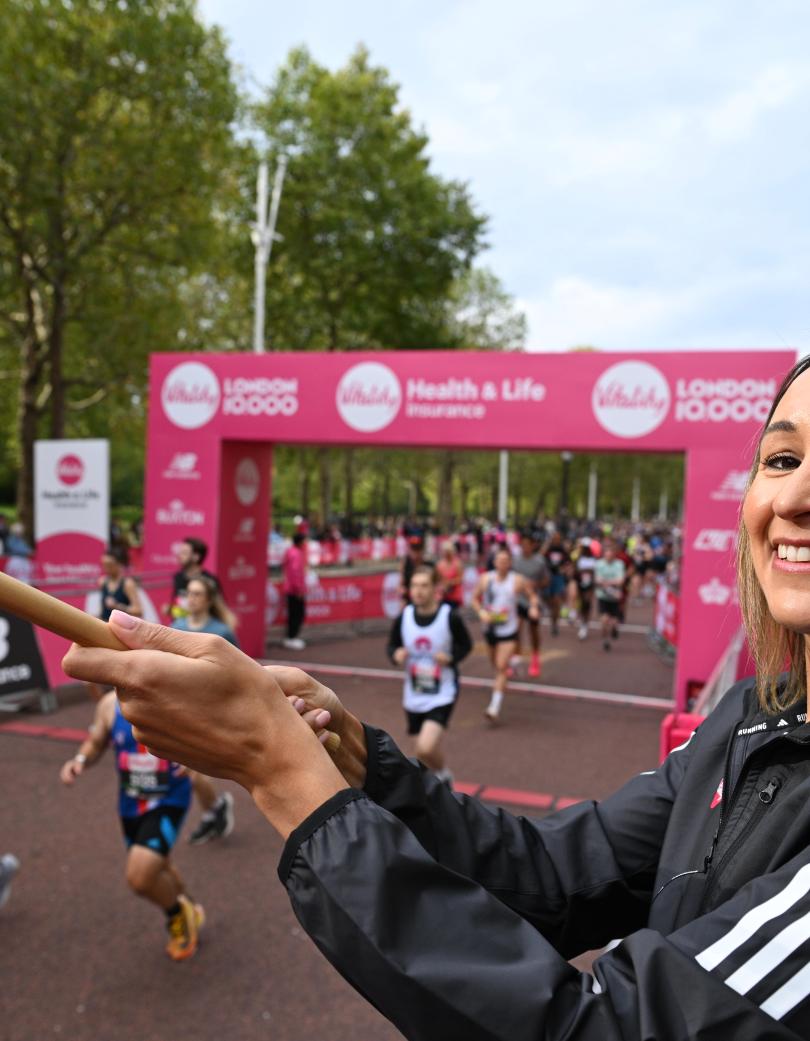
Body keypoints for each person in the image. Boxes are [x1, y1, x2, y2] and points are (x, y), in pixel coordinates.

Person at [64, 355, 810, 1039]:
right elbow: (552, 875)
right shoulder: (750, 712)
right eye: (782, 458)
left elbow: (596, 1028)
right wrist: (360, 767)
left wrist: (287, 777)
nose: (797, 495)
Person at [59, 691, 203, 961]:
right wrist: (79, 761)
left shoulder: (169, 695)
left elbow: (202, 732)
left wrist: (194, 756)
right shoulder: (108, 705)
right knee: (160, 865)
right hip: (130, 804)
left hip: (168, 800)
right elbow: (96, 742)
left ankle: (176, 916)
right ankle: (190, 908)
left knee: (140, 876)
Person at [387, 566, 472, 786]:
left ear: (436, 589)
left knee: (425, 747)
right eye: (414, 585)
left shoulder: (449, 617)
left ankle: (444, 776)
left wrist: (451, 657)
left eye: (424, 585)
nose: (418, 591)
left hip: (442, 691)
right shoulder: (404, 617)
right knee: (421, 754)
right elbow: (392, 646)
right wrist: (396, 655)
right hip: (414, 693)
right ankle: (440, 778)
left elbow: (466, 645)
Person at [170, 576, 238, 845]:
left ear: (209, 600)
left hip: (210, 708)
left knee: (190, 767)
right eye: (189, 593)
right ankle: (215, 808)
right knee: (187, 769)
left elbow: (239, 671)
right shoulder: (175, 626)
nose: (192, 598)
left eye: (198, 594)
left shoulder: (221, 632)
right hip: (180, 706)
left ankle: (214, 809)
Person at [471, 545, 540, 723]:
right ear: (494, 562)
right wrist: (481, 613)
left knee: (501, 666)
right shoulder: (486, 579)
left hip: (509, 629)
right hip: (490, 629)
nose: (502, 564)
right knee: (495, 666)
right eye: (499, 561)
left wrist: (533, 607)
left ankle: (494, 707)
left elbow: (532, 596)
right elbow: (474, 599)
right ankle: (513, 665)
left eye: (506, 561)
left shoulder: (517, 580)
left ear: (510, 563)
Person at [86, 547, 143, 702]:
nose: (106, 568)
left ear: (119, 565)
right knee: (88, 679)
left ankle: (121, 715)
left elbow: (138, 611)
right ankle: (103, 709)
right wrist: (93, 617)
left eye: (109, 564)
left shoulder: (127, 584)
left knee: (119, 680)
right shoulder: (103, 582)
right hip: (104, 631)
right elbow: (104, 611)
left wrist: (118, 606)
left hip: (120, 636)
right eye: (103, 564)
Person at [511, 529, 550, 677]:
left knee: (533, 631)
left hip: (534, 601)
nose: (525, 547)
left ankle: (535, 659)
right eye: (522, 544)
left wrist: (536, 584)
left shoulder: (540, 561)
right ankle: (515, 659)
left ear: (533, 545)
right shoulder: (515, 561)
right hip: (518, 600)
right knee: (516, 629)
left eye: (527, 544)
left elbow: (546, 580)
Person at [165, 537, 223, 621]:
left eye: (184, 553)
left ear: (196, 557)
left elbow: (217, 611)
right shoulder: (178, 577)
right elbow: (182, 609)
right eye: (180, 552)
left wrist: (171, 610)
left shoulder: (210, 581)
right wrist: (172, 610)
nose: (179, 556)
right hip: (180, 628)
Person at [593, 540, 626, 652]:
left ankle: (614, 628)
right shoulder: (599, 564)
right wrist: (609, 583)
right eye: (607, 553)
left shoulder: (619, 564)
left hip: (615, 597)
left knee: (614, 622)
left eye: (611, 553)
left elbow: (621, 580)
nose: (609, 555)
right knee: (604, 620)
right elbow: (597, 579)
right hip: (603, 597)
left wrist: (607, 582)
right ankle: (605, 640)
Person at [282, 532, 308, 650]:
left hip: (290, 588)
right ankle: (292, 637)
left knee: (293, 613)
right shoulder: (296, 554)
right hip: (295, 590)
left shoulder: (290, 552)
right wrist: (298, 589)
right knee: (298, 613)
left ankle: (290, 637)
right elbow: (295, 572)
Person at [435, 540, 463, 608]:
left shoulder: (457, 563)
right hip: (442, 596)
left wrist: (450, 583)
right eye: (444, 551)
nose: (446, 553)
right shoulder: (439, 564)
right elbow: (437, 579)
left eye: (448, 551)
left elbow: (460, 579)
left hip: (454, 596)